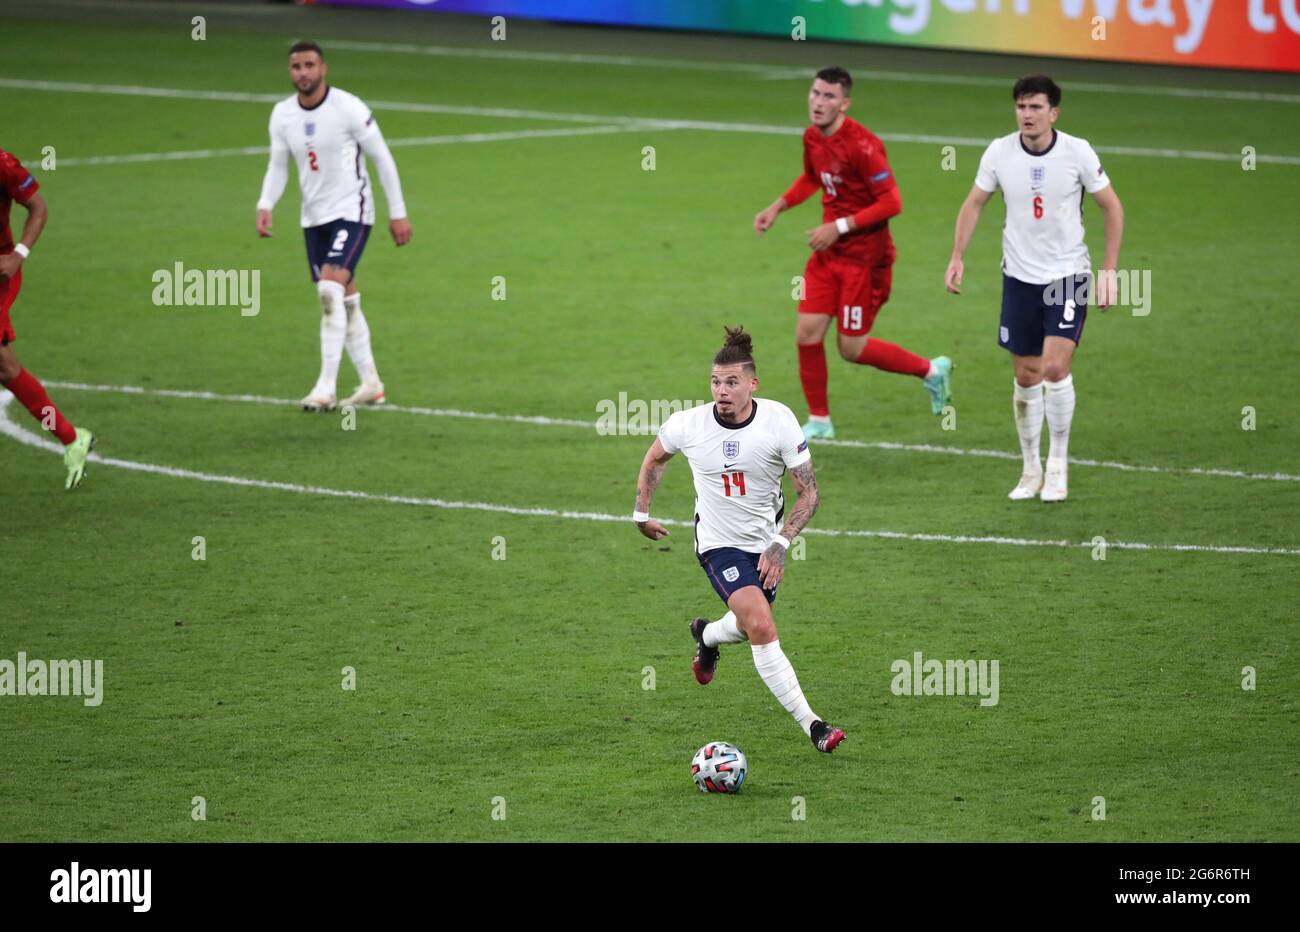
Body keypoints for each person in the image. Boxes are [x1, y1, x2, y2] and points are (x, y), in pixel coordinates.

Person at [633, 326, 845, 753]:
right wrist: (641, 514)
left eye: (731, 382)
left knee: (750, 626)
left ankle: (707, 635)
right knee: (762, 624)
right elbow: (656, 457)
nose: (722, 391)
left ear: (753, 383)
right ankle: (814, 726)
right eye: (715, 381)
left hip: (766, 545)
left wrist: (780, 544)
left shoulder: (778, 421)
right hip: (718, 545)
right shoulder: (689, 424)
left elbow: (810, 493)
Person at [945, 74, 1124, 502]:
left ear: (1054, 112)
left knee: (1055, 368)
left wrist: (1109, 271)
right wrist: (957, 255)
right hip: (1019, 277)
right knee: (1026, 374)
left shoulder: (1077, 152)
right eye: (1021, 106)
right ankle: (1030, 469)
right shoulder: (999, 152)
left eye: (1036, 107)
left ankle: (1058, 466)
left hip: (1068, 275)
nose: (1027, 114)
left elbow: (1111, 207)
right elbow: (974, 203)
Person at [754, 66, 951, 440]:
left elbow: (893, 202)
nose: (818, 102)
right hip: (828, 256)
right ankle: (820, 420)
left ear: (845, 103)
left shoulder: (863, 146)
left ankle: (932, 370)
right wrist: (777, 206)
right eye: (815, 93)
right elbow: (813, 177)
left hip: (864, 260)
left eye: (829, 96)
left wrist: (839, 227)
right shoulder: (812, 137)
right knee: (807, 333)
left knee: (852, 347)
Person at [256, 40, 412, 412]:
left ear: (323, 68)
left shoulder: (349, 108)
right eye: (296, 67)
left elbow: (382, 158)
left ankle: (325, 388)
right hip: (314, 219)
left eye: (309, 65)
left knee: (329, 290)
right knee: (346, 300)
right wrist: (266, 203)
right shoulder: (282, 115)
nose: (303, 73)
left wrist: (398, 211)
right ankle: (371, 383)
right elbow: (279, 166)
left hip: (353, 212)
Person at [0, 148, 94, 489]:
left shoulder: (3, 165)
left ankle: (72, 438)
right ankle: (71, 438)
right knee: (6, 369)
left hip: (1, 274)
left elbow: (38, 207)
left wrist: (18, 255)